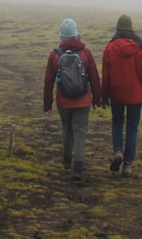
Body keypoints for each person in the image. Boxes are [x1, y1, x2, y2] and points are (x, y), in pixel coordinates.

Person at [101, 14, 142, 177]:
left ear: (117, 28)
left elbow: (106, 75)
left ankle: (117, 152)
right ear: (131, 28)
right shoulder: (139, 49)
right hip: (135, 96)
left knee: (117, 123)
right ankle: (128, 165)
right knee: (132, 128)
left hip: (116, 94)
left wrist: (104, 94)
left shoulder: (110, 48)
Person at [43, 18, 101, 180]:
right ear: (76, 35)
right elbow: (95, 78)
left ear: (61, 36)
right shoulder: (85, 53)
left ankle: (66, 161)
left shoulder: (55, 55)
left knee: (67, 129)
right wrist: (97, 99)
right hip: (83, 101)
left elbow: (48, 81)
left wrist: (47, 104)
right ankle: (79, 166)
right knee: (80, 131)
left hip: (63, 101)